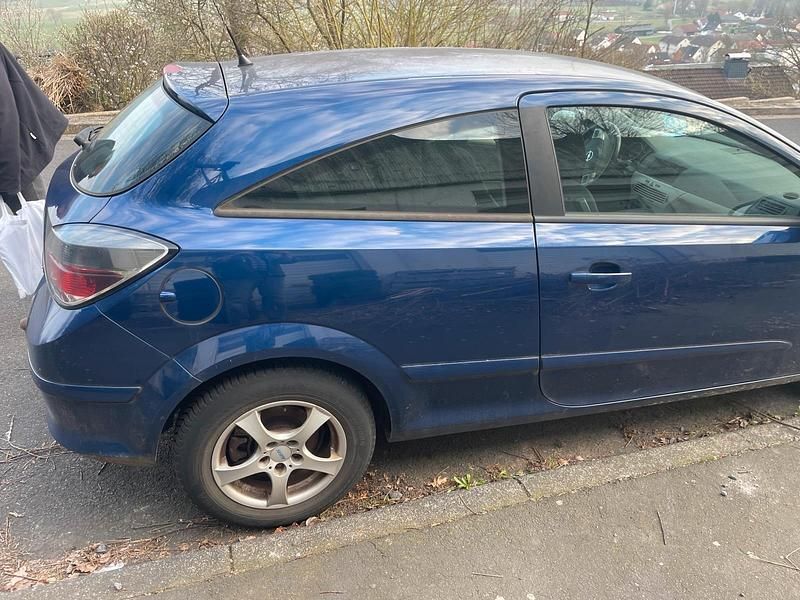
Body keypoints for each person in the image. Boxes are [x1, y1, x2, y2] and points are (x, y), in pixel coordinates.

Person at [0, 42, 67, 213]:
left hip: (16, 156)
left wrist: (8, 180)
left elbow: (5, 115)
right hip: (12, 157)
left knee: (34, 217)